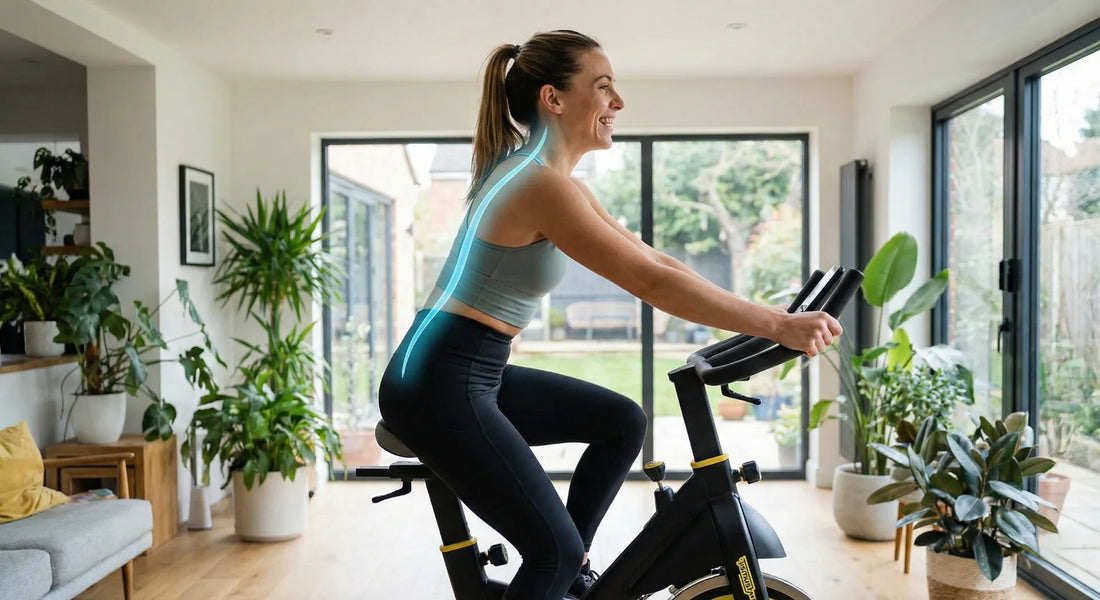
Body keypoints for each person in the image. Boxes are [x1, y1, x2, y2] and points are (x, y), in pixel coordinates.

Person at [378, 29, 842, 600]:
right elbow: (650, 283)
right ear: (554, 98)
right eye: (603, 88)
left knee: (621, 421)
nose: (618, 103)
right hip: (438, 380)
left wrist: (773, 316)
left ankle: (570, 580)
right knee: (552, 551)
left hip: (462, 368)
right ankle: (562, 569)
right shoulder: (539, 186)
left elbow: (657, 260)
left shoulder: (547, 178)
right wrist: (776, 326)